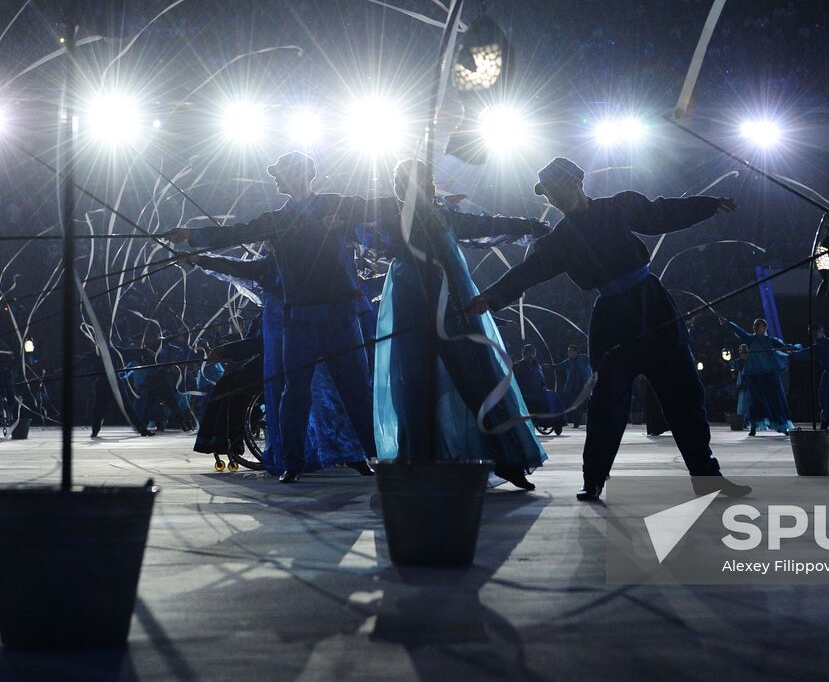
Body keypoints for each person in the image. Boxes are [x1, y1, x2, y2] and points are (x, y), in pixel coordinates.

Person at [467, 157, 750, 502]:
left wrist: (708, 205)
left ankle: (706, 477)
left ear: (576, 181)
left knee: (685, 394)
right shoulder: (560, 240)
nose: (553, 198)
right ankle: (594, 479)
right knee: (606, 404)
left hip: (653, 307)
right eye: (548, 195)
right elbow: (529, 272)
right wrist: (491, 296)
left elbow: (662, 213)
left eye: (556, 189)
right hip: (612, 320)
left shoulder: (618, 207)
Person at [165, 151, 384, 484]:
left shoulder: (336, 205)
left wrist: (420, 203)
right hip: (301, 322)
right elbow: (236, 234)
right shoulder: (277, 220)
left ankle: (371, 454)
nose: (278, 180)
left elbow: (376, 210)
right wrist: (191, 236)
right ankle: (292, 462)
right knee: (294, 393)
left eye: (282, 173)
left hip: (341, 317)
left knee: (355, 391)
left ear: (302, 174)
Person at [371, 161, 549, 489]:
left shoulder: (444, 218)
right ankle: (417, 465)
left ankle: (508, 458)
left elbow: (488, 224)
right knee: (414, 385)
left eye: (418, 182)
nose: (413, 189)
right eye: (404, 184)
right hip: (412, 313)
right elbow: (359, 230)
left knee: (476, 377)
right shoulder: (390, 221)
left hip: (453, 309)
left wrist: (530, 226)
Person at [190, 250, 370, 476]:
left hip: (320, 337)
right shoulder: (273, 268)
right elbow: (238, 269)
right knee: (290, 396)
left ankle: (352, 453)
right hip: (285, 350)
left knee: (337, 395)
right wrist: (202, 259)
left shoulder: (318, 260)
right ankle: (292, 460)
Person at [720, 317, 796, 436]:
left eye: (758, 326)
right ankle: (754, 427)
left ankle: (782, 426)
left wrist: (792, 348)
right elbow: (739, 331)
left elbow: (783, 347)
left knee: (776, 400)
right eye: (755, 326)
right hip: (754, 376)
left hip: (769, 375)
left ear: (765, 328)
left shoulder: (770, 340)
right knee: (755, 401)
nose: (755, 328)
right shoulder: (750, 339)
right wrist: (728, 323)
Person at [513, 344, 564, 436]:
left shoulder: (537, 365)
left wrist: (543, 387)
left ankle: (557, 421)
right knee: (543, 399)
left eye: (531, 353)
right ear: (523, 354)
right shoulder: (518, 366)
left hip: (539, 391)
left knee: (553, 395)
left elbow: (541, 379)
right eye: (527, 353)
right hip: (525, 392)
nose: (529, 355)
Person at [553, 343, 592, 427]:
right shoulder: (568, 361)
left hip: (585, 386)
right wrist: (549, 366)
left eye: (570, 351)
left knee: (585, 404)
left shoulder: (584, 358)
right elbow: (558, 366)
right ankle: (575, 422)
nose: (569, 353)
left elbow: (593, 361)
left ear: (576, 352)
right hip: (574, 388)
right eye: (568, 351)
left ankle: (581, 421)